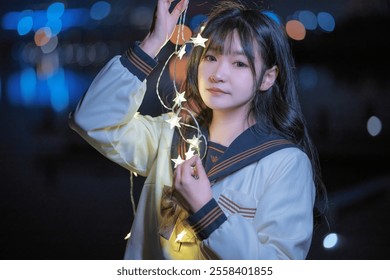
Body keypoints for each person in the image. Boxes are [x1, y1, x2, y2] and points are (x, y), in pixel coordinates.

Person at [69, 0, 327, 259]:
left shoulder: (285, 163)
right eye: (211, 57)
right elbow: (91, 119)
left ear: (268, 77)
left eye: (239, 63)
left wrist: (206, 210)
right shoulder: (170, 135)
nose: (218, 74)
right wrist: (153, 42)